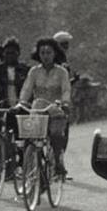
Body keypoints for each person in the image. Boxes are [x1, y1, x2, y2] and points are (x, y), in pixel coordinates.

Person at [18, 37, 72, 175]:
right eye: (42, 53)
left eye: (48, 52)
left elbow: (66, 89)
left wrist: (65, 103)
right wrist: (22, 102)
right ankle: (31, 165)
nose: (45, 56)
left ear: (55, 54)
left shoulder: (62, 72)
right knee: (30, 138)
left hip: (56, 108)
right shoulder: (34, 71)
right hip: (38, 108)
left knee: (55, 135)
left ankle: (58, 162)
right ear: (38, 54)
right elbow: (27, 89)